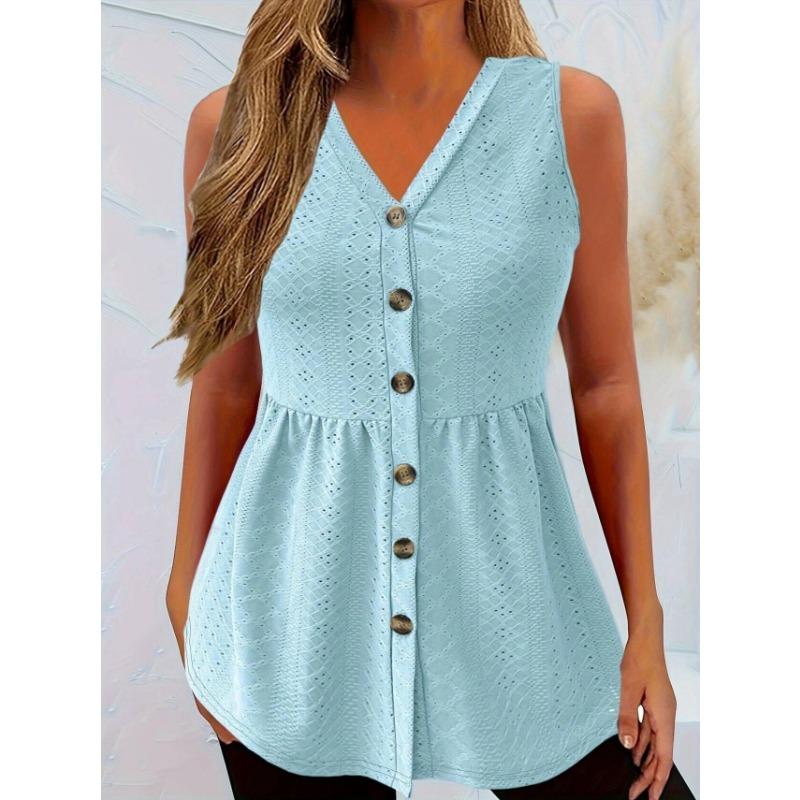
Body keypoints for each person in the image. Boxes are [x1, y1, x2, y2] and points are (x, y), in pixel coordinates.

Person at [160, 1, 697, 799]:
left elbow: (606, 386)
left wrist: (645, 620)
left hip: (523, 613)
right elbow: (227, 379)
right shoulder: (238, 128)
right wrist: (185, 593)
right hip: (288, 635)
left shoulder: (570, 118)